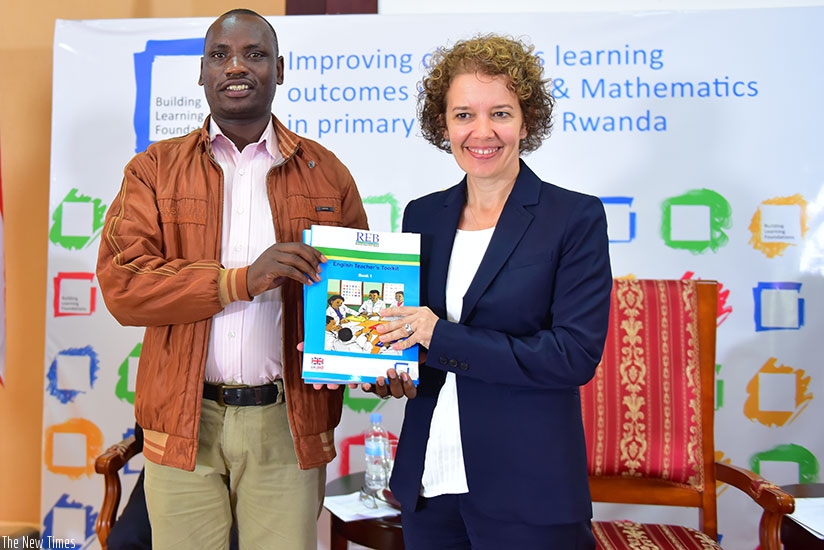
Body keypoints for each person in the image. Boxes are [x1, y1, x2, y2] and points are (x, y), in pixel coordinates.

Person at [96, 9, 368, 550]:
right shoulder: (153, 168)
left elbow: (358, 296)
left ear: (280, 69)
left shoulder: (327, 171)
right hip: (183, 422)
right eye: (220, 55)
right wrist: (239, 281)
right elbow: (124, 286)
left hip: (286, 424)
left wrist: (370, 355)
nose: (236, 66)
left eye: (255, 54)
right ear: (201, 72)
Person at [367, 34, 612, 549]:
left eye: (500, 113)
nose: (482, 132)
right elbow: (414, 342)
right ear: (444, 124)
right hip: (430, 478)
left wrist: (441, 335)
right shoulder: (422, 215)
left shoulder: (572, 217)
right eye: (463, 115)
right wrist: (371, 362)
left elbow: (571, 357)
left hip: (528, 486)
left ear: (527, 121)